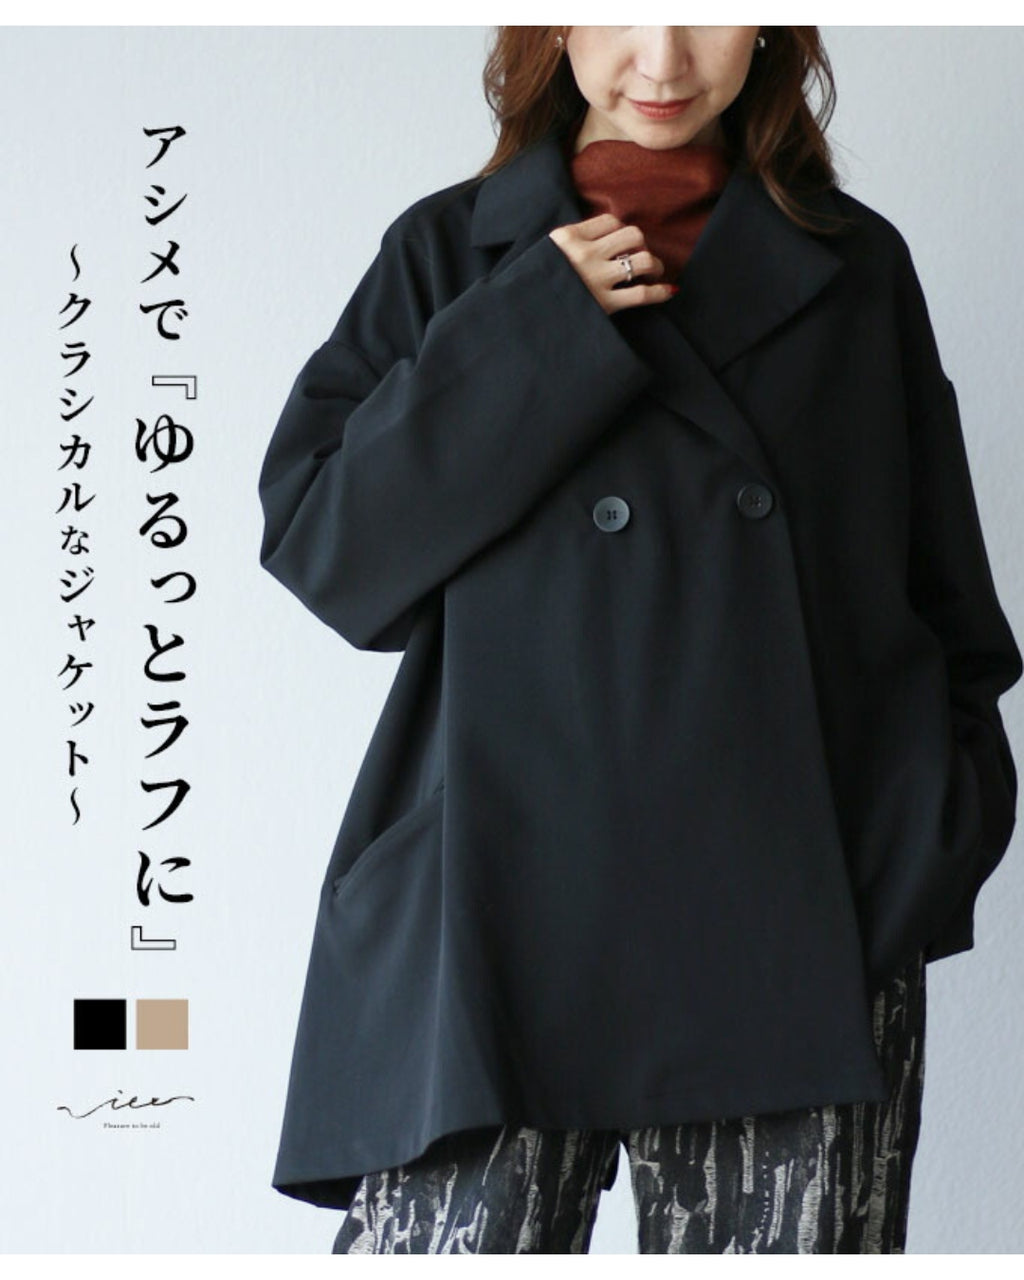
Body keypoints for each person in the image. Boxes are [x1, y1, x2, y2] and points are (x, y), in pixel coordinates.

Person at [257, 26, 1022, 1254]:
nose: (661, 58)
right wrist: (531, 327)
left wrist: (917, 839)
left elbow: (943, 601)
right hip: (495, 917)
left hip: (793, 926)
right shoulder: (451, 252)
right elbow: (333, 557)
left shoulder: (850, 264)